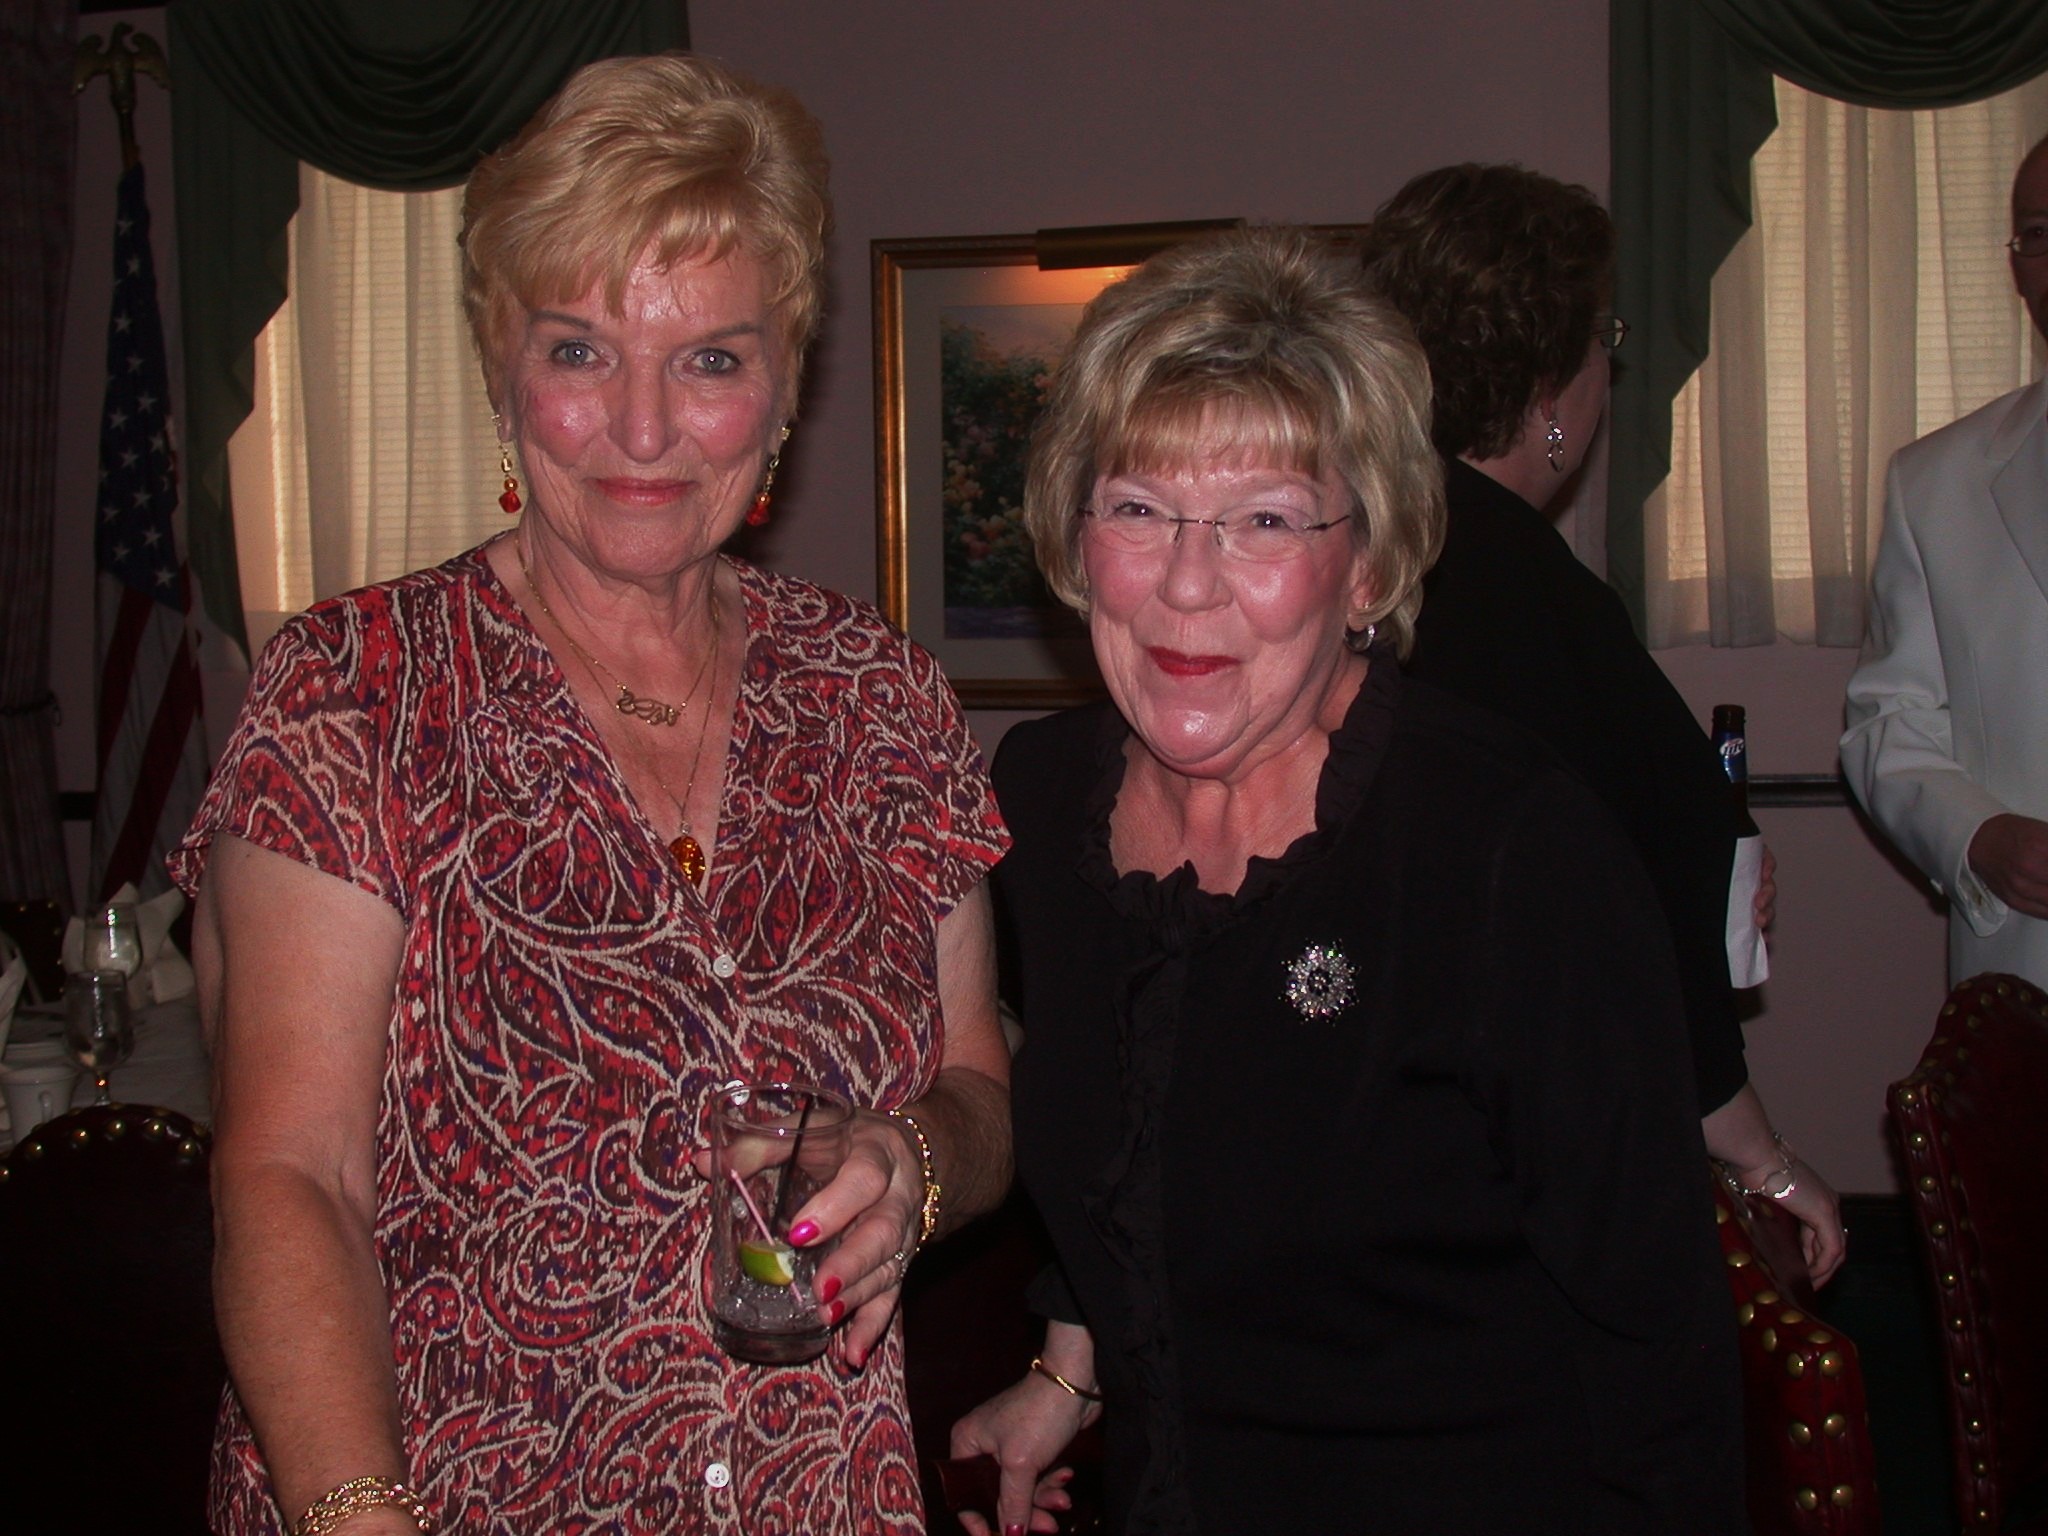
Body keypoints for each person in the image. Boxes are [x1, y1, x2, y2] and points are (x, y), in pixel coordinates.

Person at [172, 54, 1011, 1536]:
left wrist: (916, 1160)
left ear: (784, 384)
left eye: (709, 361)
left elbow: (980, 1081)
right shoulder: (356, 692)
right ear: (501, 370)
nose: (641, 428)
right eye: (580, 352)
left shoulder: (880, 699)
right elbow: (293, 1179)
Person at [951, 228, 1740, 1536]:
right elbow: (1134, 1143)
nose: (1187, 584)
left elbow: (1660, 1354)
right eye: (1137, 508)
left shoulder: (1503, 847)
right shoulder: (1039, 800)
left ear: (1367, 564)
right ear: (1074, 536)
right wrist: (1065, 1370)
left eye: (1264, 520)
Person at [1359, 162, 1845, 1283]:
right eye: (1603, 341)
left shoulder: (1360, 545)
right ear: (1548, 388)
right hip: (1500, 1144)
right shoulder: (1522, 590)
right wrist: (1762, 1156)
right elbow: (1621, 903)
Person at [1842, 132, 2048, 991]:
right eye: (2036, 232)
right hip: (2028, 977)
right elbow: (1888, 717)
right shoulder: (1937, 482)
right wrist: (1976, 836)